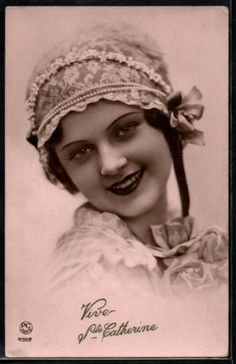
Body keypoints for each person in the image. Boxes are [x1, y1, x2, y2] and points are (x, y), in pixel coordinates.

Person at [25, 24, 227, 300]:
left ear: (168, 126)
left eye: (124, 130)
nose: (110, 164)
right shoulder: (96, 269)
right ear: (63, 171)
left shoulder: (181, 234)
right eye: (81, 152)